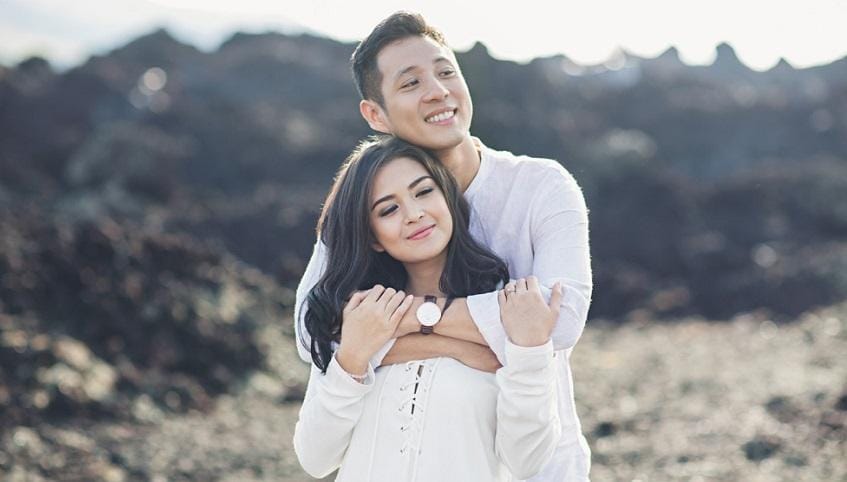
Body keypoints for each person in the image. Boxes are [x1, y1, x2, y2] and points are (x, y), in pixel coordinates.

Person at [294, 11, 593, 481]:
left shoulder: (542, 186)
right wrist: (479, 350)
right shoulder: (358, 203)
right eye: (411, 83)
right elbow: (315, 330)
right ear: (376, 115)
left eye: (446, 72)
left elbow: (561, 320)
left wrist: (397, 322)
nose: (437, 91)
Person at [293, 135, 562, 481]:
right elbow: (315, 459)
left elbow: (526, 461)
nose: (414, 214)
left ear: (447, 196)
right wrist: (353, 360)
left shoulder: (507, 309)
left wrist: (529, 354)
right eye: (388, 209)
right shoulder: (360, 317)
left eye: (423, 192)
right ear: (372, 237)